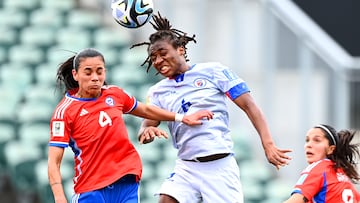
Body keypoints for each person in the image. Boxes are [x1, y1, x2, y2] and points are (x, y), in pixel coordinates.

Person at [131, 12, 292, 203]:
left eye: (163, 53)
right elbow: (145, 127)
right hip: (187, 167)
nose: (157, 61)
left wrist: (268, 144)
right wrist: (147, 130)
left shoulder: (213, 71)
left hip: (219, 166)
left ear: (181, 49)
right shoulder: (157, 92)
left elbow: (249, 106)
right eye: (153, 57)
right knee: (166, 199)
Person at [47, 48, 214, 203]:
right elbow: (54, 162)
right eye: (88, 72)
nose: (95, 77)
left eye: (100, 71)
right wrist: (59, 197)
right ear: (76, 74)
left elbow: (147, 111)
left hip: (126, 180)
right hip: (91, 188)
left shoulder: (115, 94)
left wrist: (182, 118)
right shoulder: (65, 112)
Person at [283, 124, 360, 203]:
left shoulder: (318, 168)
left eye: (317, 140)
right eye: (307, 140)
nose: (308, 145)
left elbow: (295, 201)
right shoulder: (343, 174)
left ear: (331, 149)